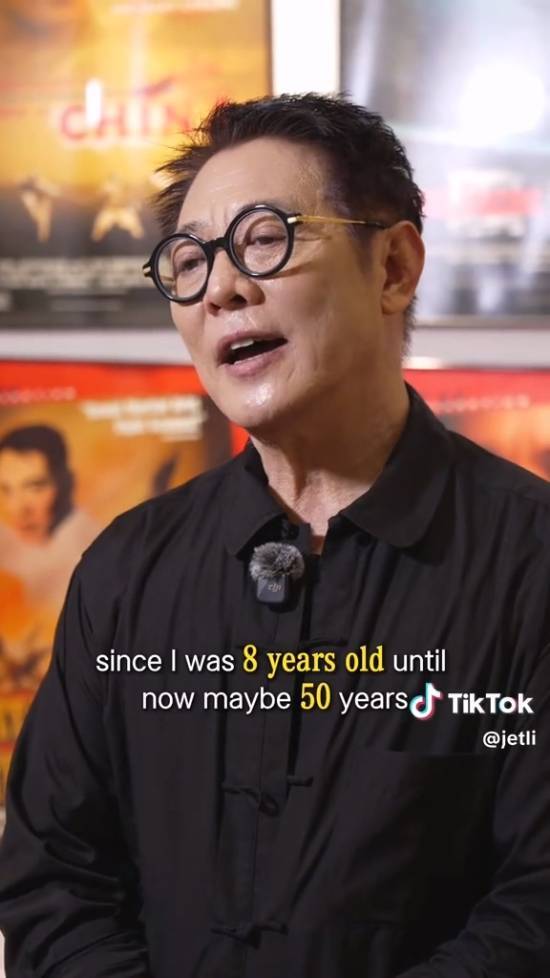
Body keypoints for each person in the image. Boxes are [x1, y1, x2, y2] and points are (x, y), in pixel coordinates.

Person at [1, 93, 550, 978]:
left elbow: (535, 909)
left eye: (264, 240)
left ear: (394, 267)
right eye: (189, 261)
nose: (220, 289)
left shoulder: (528, 562)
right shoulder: (126, 570)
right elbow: (54, 883)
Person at [0, 425, 99, 686]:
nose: (18, 508)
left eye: (35, 486)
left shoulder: (96, 548)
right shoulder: (5, 538)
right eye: (5, 489)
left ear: (64, 482)